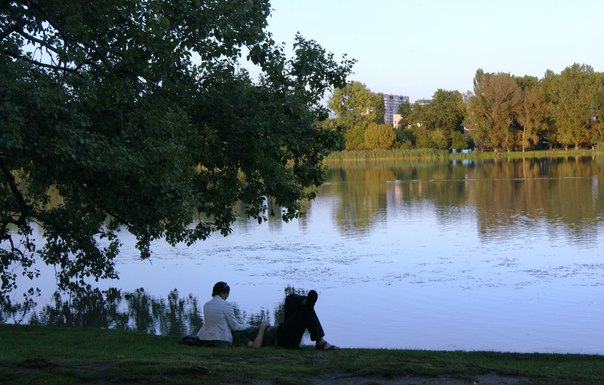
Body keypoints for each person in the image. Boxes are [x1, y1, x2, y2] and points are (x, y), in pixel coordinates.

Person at [197, 281, 269, 347]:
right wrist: (248, 326)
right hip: (221, 340)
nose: (227, 297)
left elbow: (218, 321)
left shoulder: (206, 305)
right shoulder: (226, 305)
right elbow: (235, 327)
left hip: (204, 339)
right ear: (223, 293)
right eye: (227, 294)